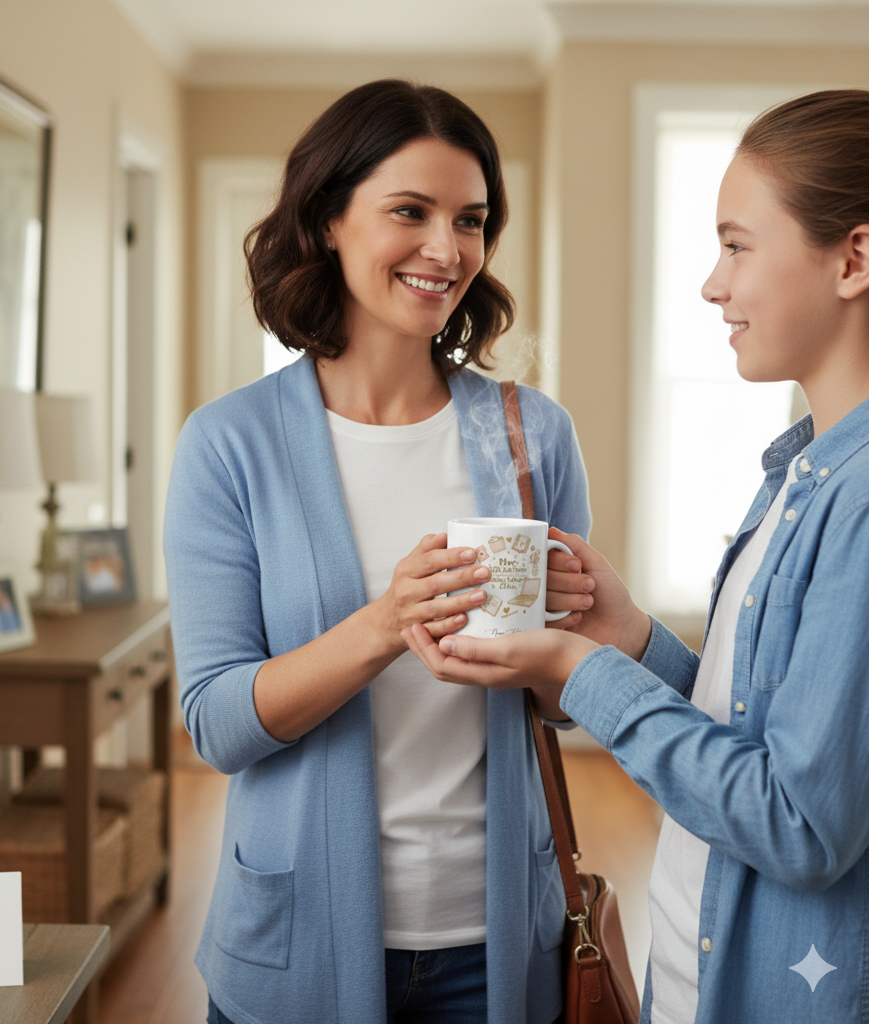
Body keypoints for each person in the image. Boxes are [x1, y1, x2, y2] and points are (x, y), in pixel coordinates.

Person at [404, 89, 869, 1024]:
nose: (712, 283)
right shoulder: (797, 478)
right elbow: (778, 733)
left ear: (853, 258)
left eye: (737, 245)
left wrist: (579, 671)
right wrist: (632, 639)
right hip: (705, 975)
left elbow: (800, 820)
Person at [164, 80, 592, 1024]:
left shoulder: (532, 437)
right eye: (411, 211)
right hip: (295, 943)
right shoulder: (229, 444)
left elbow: (563, 707)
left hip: (499, 941)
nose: (448, 250)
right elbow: (217, 724)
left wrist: (582, 642)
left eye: (471, 220)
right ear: (327, 220)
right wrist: (386, 624)